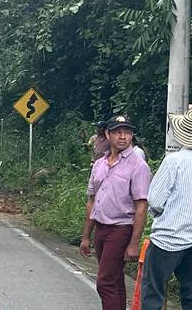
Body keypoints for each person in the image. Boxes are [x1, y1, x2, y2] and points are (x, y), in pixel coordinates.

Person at [79, 115, 152, 310]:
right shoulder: (100, 164)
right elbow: (92, 200)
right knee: (115, 280)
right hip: (101, 228)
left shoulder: (138, 166)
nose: (123, 137)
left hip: (121, 230)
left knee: (105, 282)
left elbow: (141, 206)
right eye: (118, 132)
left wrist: (134, 243)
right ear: (107, 134)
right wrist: (86, 236)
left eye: (127, 132)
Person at [140, 107, 192, 310]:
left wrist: (161, 215)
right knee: (190, 295)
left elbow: (155, 200)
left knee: (153, 292)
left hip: (168, 239)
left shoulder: (174, 161)